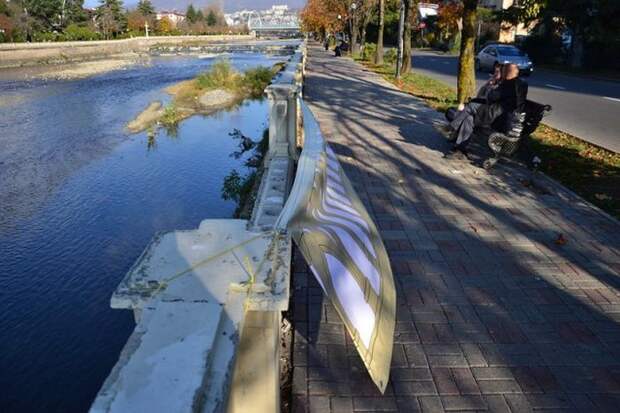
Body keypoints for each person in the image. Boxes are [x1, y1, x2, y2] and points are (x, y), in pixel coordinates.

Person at [445, 63, 528, 159]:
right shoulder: (518, 84)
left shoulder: (510, 84)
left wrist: (492, 87)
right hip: (498, 116)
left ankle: (452, 128)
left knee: (471, 107)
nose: (503, 73)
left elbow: (492, 97)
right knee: (469, 118)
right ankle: (460, 149)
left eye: (504, 71)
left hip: (498, 118)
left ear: (509, 72)